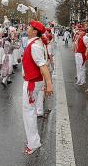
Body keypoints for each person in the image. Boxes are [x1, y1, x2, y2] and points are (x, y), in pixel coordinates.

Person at [22, 21, 53, 155]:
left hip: (32, 83)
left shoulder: (35, 45)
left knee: (28, 112)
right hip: (33, 81)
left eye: (29, 27)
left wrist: (49, 84)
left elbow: (42, 65)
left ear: (34, 31)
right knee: (29, 111)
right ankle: (32, 140)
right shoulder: (36, 42)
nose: (27, 28)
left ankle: (33, 143)